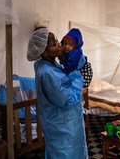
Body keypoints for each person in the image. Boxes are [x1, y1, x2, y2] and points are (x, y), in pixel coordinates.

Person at [27, 23, 88, 158]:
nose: (60, 44)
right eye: (54, 44)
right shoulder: (46, 73)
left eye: (57, 40)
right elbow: (68, 99)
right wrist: (76, 74)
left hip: (67, 124)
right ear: (45, 51)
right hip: (62, 128)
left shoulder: (53, 64)